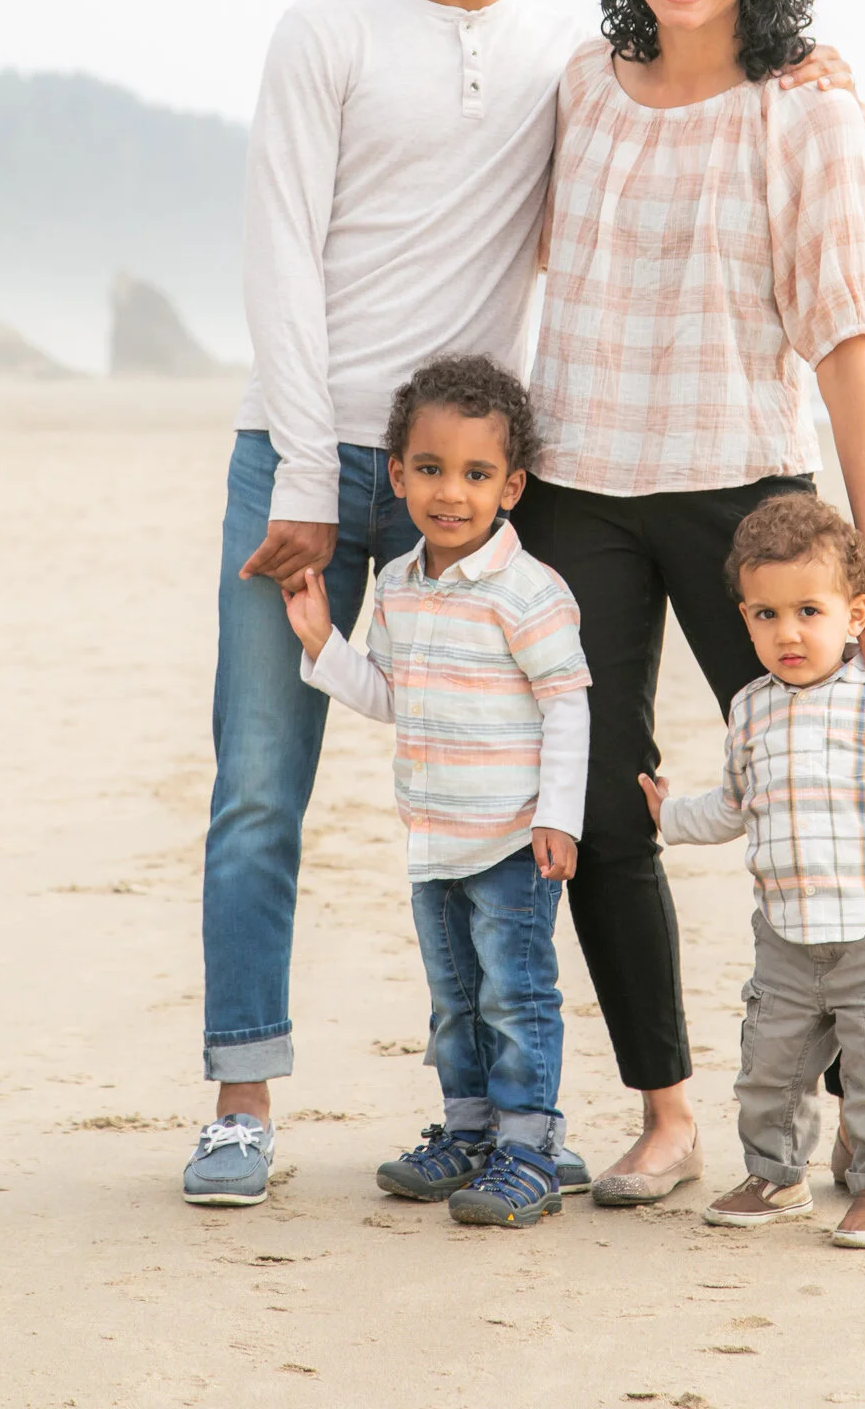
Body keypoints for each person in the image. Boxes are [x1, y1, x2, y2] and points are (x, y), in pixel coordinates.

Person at [183, 0, 849, 1206]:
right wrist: (306, 466)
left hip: (475, 488)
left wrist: (804, 66)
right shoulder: (325, 32)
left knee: (522, 799)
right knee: (259, 793)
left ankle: (513, 1119)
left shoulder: (566, 52)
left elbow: (692, 101)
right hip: (302, 461)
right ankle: (242, 1101)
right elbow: (275, 258)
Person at [516, 0, 865, 1203]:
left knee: (824, 800)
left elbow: (845, 341)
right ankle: (668, 1113)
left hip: (747, 496)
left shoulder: (804, 109)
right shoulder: (580, 85)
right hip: (578, 496)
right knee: (606, 810)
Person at [285, 356, 590, 1229]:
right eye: (429, 469)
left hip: (509, 840)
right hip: (432, 836)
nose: (449, 493)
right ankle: (469, 1134)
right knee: (453, 1000)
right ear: (397, 475)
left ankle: (530, 1148)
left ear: (512, 485)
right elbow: (391, 696)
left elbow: (567, 705)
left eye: (475, 474)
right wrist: (323, 642)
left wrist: (555, 819)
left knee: (514, 996)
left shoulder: (527, 593)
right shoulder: (402, 586)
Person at [640, 494, 865, 1247]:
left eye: (808, 612)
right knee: (770, 1067)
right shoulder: (750, 708)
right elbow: (732, 808)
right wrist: (666, 816)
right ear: (745, 615)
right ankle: (775, 1174)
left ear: (854, 616)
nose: (786, 632)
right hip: (785, 934)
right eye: (764, 615)